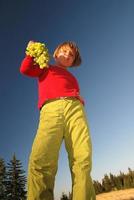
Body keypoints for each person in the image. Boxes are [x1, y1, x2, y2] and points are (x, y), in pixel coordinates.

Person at [19, 40, 96, 200]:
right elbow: (25, 69)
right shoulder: (44, 67)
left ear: (73, 61)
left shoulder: (73, 78)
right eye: (64, 51)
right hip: (51, 109)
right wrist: (30, 52)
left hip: (75, 110)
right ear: (56, 53)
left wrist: (79, 100)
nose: (68, 55)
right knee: (41, 158)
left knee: (82, 156)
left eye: (71, 55)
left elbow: (75, 91)